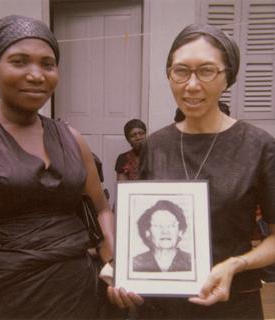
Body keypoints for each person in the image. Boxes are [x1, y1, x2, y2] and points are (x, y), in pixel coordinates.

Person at [0, 15, 115, 319]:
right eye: (19, 62)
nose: (36, 75)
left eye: (47, 64)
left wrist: (116, 261)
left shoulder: (71, 138)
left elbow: (102, 209)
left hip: (76, 299)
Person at [108, 24, 275, 319]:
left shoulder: (258, 145)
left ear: (227, 77)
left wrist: (236, 264)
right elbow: (133, 230)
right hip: (160, 305)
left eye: (207, 71)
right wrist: (120, 270)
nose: (192, 85)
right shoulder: (154, 145)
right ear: (169, 75)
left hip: (231, 301)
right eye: (181, 71)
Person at [133, 200, 191, 272]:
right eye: (158, 226)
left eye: (171, 225)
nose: (165, 231)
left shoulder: (191, 262)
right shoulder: (136, 264)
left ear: (180, 232)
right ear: (147, 233)